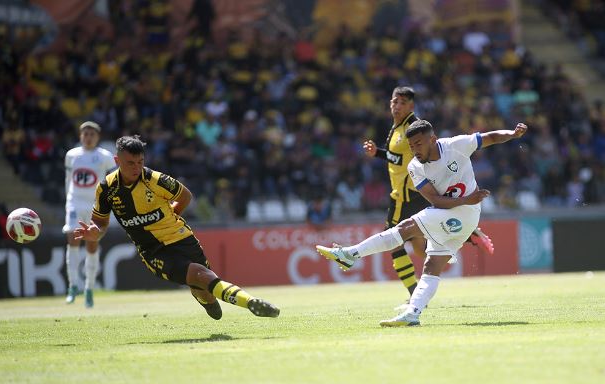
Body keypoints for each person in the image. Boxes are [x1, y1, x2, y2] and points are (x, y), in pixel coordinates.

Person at [318, 120, 528, 326]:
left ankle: (350, 254)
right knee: (431, 265)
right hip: (456, 210)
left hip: (466, 212)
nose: (415, 150)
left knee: (404, 228)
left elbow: (489, 138)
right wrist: (466, 200)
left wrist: (512, 134)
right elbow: (435, 200)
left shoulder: (456, 146)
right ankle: (413, 313)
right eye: (411, 146)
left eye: (419, 144)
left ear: (433, 140)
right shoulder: (415, 167)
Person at [74, 135, 280, 319]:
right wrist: (95, 233)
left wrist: (173, 213)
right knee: (202, 274)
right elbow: (99, 223)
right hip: (153, 250)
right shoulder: (106, 189)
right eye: (130, 163)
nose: (136, 168)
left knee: (204, 288)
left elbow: (185, 196)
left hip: (181, 238)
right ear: (117, 161)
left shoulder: (156, 180)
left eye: (140, 162)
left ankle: (203, 297)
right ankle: (251, 303)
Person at [363, 86, 494, 301]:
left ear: (411, 106)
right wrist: (378, 153)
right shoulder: (397, 128)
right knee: (417, 244)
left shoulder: (412, 131)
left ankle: (413, 294)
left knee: (394, 244)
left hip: (407, 194)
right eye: (394, 101)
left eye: (402, 103)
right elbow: (399, 158)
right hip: (409, 191)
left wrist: (377, 153)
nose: (396, 106)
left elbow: (406, 161)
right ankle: (468, 233)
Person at [64, 121, 116, 308]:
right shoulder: (71, 155)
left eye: (92, 134)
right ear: (80, 136)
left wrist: (109, 203)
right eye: (85, 133)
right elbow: (68, 180)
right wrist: (68, 200)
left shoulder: (105, 157)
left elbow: (113, 182)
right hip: (75, 204)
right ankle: (72, 286)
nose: (88, 137)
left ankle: (89, 288)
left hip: (95, 206)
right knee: (73, 240)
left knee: (92, 245)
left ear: (98, 137)